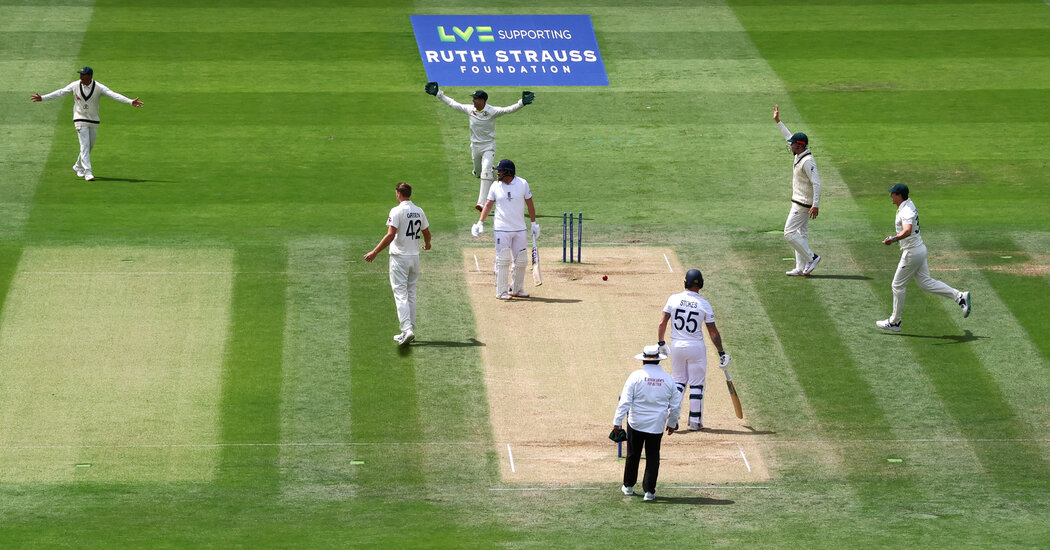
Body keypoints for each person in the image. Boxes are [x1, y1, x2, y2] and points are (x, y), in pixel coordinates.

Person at [425, 82, 534, 211]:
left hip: (488, 146)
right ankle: (489, 173)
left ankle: (481, 203)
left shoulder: (492, 111)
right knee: (479, 173)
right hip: (475, 147)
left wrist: (522, 103)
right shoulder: (470, 109)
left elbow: (508, 109)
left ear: (482, 100)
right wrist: (438, 94)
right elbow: (453, 104)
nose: (473, 100)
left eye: (476, 98)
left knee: (485, 172)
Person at [876, 184, 971, 332]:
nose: (890, 196)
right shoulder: (908, 205)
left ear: (899, 195)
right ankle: (959, 296)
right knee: (926, 283)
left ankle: (895, 322)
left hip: (912, 253)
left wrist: (893, 239)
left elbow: (907, 230)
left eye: (892, 193)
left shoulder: (906, 210)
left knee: (897, 285)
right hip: (919, 250)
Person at [31, 66, 143, 181]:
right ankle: (88, 172)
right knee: (84, 146)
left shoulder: (99, 87)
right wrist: (43, 98)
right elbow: (60, 92)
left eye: (83, 75)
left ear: (90, 76)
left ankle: (77, 166)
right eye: (80, 74)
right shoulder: (75, 85)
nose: (81, 77)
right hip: (80, 119)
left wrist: (130, 101)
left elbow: (113, 94)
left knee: (89, 146)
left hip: (93, 120)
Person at [656, 269, 730, 431]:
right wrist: (721, 352)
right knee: (696, 384)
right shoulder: (704, 304)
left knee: (678, 382)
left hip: (677, 346)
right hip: (696, 347)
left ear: (685, 282)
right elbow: (713, 332)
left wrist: (661, 342)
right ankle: (695, 422)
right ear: (701, 284)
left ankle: (672, 416)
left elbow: (662, 322)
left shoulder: (673, 299)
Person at [612, 345, 683, 502]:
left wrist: (617, 422)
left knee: (633, 454)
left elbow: (625, 402)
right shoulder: (668, 379)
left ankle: (628, 486)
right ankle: (649, 491)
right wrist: (672, 423)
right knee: (653, 457)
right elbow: (676, 405)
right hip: (656, 424)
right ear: (658, 360)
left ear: (643, 360)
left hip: (636, 422)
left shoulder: (635, 376)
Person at [364, 182, 432, 345]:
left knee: (400, 294)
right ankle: (410, 329)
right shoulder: (419, 210)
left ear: (399, 194)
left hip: (400, 258)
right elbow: (426, 232)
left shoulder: (396, 211)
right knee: (411, 293)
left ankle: (407, 330)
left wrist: (375, 252)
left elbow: (390, 235)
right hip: (414, 257)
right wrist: (428, 244)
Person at [471, 159, 539, 299]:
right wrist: (480, 223)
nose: (498, 174)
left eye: (501, 171)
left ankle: (516, 289)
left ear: (509, 172)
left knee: (521, 260)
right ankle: (501, 291)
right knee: (503, 259)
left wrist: (534, 223)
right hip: (501, 229)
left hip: (520, 228)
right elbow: (488, 205)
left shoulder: (522, 184)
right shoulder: (495, 186)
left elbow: (530, 204)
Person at [773, 104, 822, 276]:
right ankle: (801, 268)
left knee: (789, 232)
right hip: (800, 201)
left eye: (793, 144)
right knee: (801, 233)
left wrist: (815, 204)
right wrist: (778, 121)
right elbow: (788, 136)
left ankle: (812, 257)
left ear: (800, 146)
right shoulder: (799, 153)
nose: (790, 145)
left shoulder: (807, 162)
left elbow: (817, 183)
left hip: (803, 204)